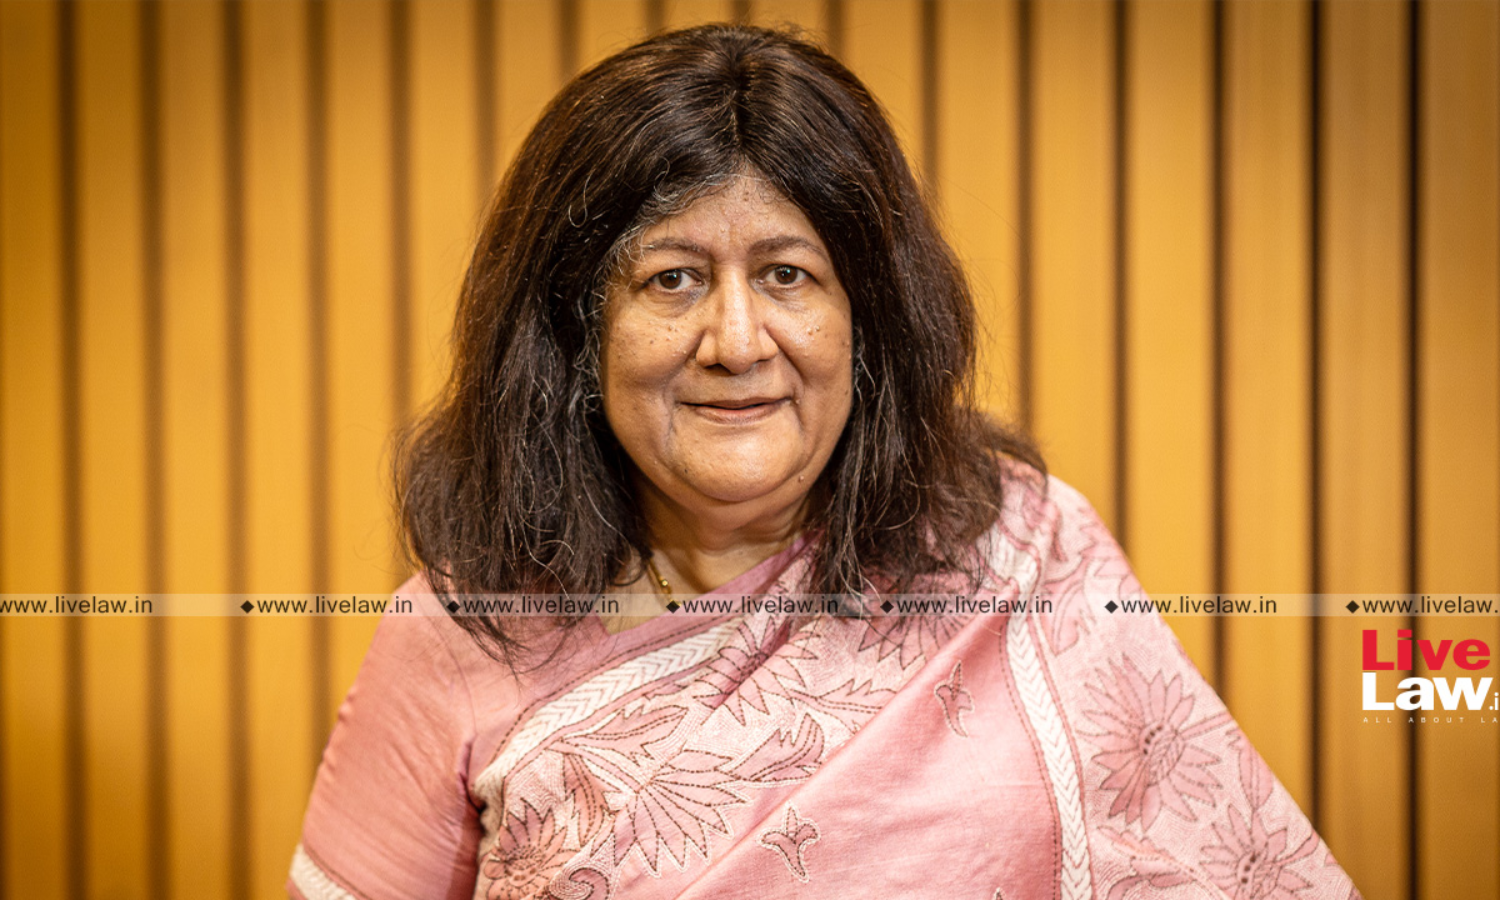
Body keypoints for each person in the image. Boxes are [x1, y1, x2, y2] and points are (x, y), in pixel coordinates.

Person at [290, 24, 1360, 900]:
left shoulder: (1022, 550)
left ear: (868, 320)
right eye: (671, 279)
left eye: (788, 274)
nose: (737, 341)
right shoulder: (457, 634)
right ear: (574, 331)